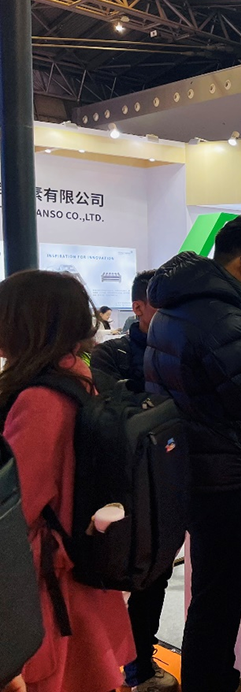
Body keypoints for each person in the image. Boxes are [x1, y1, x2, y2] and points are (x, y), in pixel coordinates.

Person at [145, 215, 241, 692]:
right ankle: (212, 682)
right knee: (221, 589)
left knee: (209, 586)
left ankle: (213, 678)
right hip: (223, 473)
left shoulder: (171, 309)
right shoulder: (224, 319)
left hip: (183, 465)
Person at [0, 271, 135, 692]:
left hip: (43, 587)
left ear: (25, 323)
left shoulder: (38, 400)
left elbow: (15, 507)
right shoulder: (79, 379)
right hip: (78, 568)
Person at [89, 271, 176, 692]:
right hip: (119, 484)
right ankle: (110, 667)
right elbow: (117, 414)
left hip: (167, 475)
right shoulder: (110, 354)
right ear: (138, 307)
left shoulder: (178, 349)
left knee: (155, 575)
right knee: (111, 578)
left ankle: (140, 664)